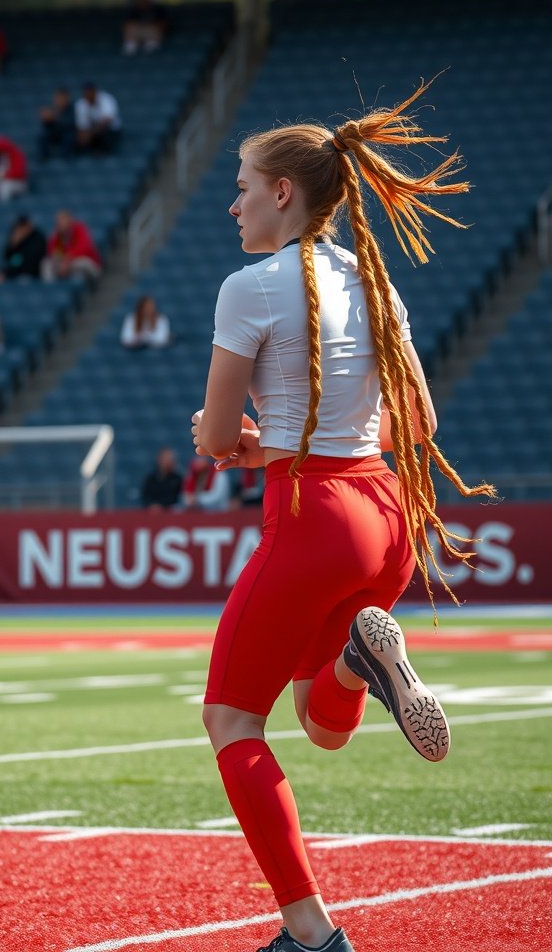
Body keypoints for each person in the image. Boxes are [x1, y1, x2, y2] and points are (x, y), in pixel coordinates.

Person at [191, 79, 496, 952]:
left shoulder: (248, 287)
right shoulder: (375, 278)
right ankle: (364, 659)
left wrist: (234, 444)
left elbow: (215, 437)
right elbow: (422, 423)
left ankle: (310, 933)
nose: (232, 203)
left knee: (230, 722)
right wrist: (283, 440)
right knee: (321, 725)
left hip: (310, 516)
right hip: (386, 515)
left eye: (243, 185)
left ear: (283, 193)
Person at [41, 210, 102, 281]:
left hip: (86, 262)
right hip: (66, 264)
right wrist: (61, 261)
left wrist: (67, 259)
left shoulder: (80, 228)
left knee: (82, 263)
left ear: (70, 221)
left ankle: (82, 286)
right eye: (59, 222)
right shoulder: (57, 234)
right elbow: (53, 252)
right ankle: (50, 287)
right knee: (46, 263)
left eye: (63, 221)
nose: (61, 224)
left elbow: (85, 247)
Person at [0, 214, 47, 283]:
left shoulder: (37, 238)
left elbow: (28, 262)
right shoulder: (17, 239)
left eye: (22, 227)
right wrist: (12, 245)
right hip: (16, 273)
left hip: (34, 274)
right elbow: (7, 258)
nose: (20, 230)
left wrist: (7, 273)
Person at [75, 82, 122, 154]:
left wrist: (90, 134)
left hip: (111, 130)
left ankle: (104, 157)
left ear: (95, 91)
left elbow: (107, 121)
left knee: (104, 135)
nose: (88, 94)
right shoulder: (81, 103)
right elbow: (82, 125)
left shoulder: (106, 99)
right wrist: (83, 136)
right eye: (86, 92)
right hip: (92, 131)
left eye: (90, 92)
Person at [37, 87, 76, 160]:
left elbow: (71, 123)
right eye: (58, 98)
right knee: (42, 137)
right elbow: (47, 126)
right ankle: (44, 158)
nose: (60, 100)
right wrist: (46, 120)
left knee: (69, 138)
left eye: (62, 98)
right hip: (55, 133)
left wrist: (55, 118)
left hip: (67, 134)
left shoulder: (72, 109)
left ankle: (66, 159)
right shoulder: (54, 109)